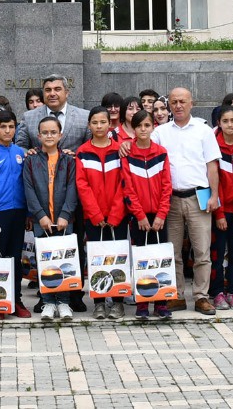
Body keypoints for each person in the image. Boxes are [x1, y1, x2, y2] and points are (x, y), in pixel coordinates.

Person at [149, 86, 221, 316]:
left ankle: (201, 297)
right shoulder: (160, 132)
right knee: (173, 252)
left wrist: (214, 195)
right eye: (174, 101)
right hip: (170, 200)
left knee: (202, 251)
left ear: (192, 103)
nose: (178, 105)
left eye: (183, 101)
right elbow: (144, 149)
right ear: (169, 105)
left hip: (198, 196)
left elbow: (212, 165)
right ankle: (176, 295)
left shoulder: (203, 131)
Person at [23, 117, 80, 321]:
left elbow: (73, 189)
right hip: (42, 221)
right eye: (45, 132)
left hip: (65, 220)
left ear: (60, 135)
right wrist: (40, 216)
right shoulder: (30, 160)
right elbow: (28, 190)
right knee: (44, 261)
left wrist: (65, 215)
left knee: (64, 261)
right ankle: (48, 302)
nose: (49, 136)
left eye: (53, 132)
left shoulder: (69, 160)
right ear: (39, 136)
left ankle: (64, 302)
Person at [76, 105, 127, 319]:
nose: (99, 126)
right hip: (93, 217)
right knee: (98, 258)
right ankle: (98, 301)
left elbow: (124, 184)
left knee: (117, 258)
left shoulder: (120, 150)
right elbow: (82, 185)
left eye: (103, 122)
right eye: (95, 122)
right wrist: (95, 214)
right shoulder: (83, 152)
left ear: (110, 124)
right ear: (89, 125)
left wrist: (115, 214)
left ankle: (117, 302)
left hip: (118, 216)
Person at [0, 107, 30, 318]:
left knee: (15, 258)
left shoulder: (20, 153)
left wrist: (28, 214)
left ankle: (16, 300)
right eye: (3, 127)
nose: (8, 131)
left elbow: (26, 185)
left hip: (18, 213)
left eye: (11, 127)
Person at [122, 109, 171, 319]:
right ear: (133, 128)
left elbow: (167, 186)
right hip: (139, 218)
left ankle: (161, 302)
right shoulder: (127, 154)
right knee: (142, 259)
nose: (143, 129)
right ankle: (142, 303)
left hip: (159, 217)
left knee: (160, 259)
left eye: (147, 125)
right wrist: (139, 215)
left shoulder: (161, 152)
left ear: (153, 127)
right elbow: (127, 188)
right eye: (139, 126)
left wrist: (161, 214)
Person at [210, 104, 233, 311]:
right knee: (216, 254)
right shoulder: (213, 147)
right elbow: (212, 184)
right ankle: (216, 292)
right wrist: (220, 213)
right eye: (225, 121)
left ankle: (232, 291)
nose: (230, 124)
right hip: (220, 212)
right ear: (219, 123)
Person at [16, 75, 88, 151]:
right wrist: (29, 153)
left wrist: (76, 156)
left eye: (57, 89)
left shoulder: (84, 117)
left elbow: (91, 147)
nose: (52, 94)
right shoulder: (28, 117)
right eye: (48, 90)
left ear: (66, 93)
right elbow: (20, 147)